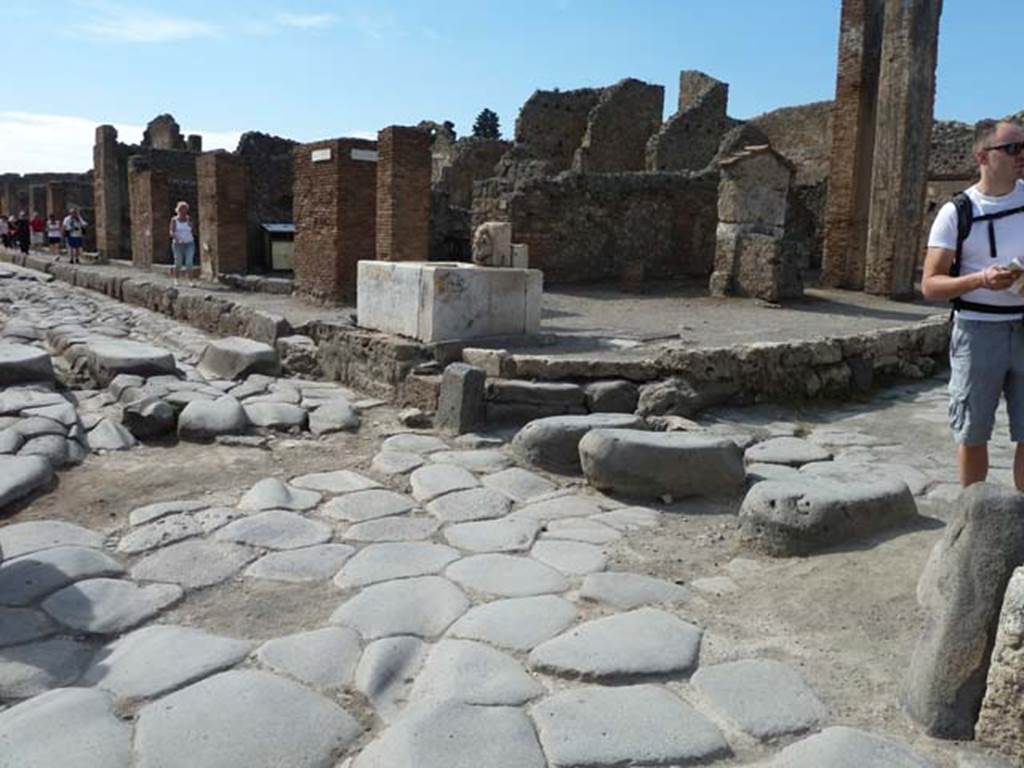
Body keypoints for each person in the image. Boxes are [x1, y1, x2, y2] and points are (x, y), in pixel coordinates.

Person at [922, 118, 1024, 490]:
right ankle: (974, 525)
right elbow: (931, 285)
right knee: (973, 432)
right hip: (977, 332)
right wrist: (980, 280)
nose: (1021, 156)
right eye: (1012, 148)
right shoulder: (957, 212)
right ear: (983, 156)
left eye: (1023, 148)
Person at [168, 201, 195, 283]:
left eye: (185, 209)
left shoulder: (189, 219)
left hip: (189, 242)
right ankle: (176, 278)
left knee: (189, 261)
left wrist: (190, 225)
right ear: (178, 210)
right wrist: (177, 239)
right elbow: (171, 232)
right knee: (178, 261)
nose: (183, 211)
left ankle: (190, 280)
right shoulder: (174, 220)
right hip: (178, 244)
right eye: (181, 209)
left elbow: (191, 229)